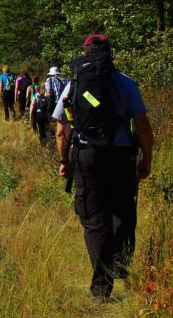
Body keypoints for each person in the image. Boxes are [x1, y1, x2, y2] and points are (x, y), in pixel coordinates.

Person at [54, 34, 153, 302]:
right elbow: (142, 125)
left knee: (95, 220)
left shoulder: (73, 84)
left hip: (87, 157)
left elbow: (62, 131)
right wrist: (147, 159)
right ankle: (120, 262)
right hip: (121, 156)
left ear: (84, 54)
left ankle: (101, 289)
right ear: (110, 52)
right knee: (122, 210)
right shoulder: (126, 82)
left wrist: (65, 162)